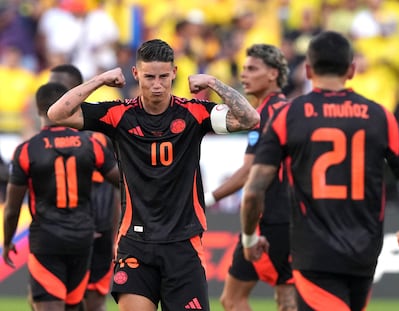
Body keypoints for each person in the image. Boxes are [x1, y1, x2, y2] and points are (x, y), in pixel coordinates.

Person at [47, 38, 260, 311]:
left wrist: (213, 83)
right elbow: (57, 114)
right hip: (135, 244)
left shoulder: (194, 113)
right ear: (136, 74)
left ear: (174, 72)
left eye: (163, 76)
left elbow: (250, 119)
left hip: (183, 243)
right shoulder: (118, 114)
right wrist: (100, 79)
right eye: (149, 77)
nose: (157, 84)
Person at [240, 30, 399, 311]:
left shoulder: (289, 116)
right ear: (352, 69)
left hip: (314, 253)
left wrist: (248, 238)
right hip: (365, 252)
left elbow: (254, 189)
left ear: (308, 70)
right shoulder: (380, 116)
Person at [2, 82, 120, 311]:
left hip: (46, 239)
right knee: (74, 307)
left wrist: (7, 241)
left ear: (38, 111)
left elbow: (12, 209)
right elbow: (122, 183)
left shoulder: (28, 150)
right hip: (83, 239)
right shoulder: (90, 144)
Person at [204, 44, 296, 311]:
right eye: (243, 68)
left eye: (252, 69)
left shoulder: (266, 115)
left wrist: (208, 197)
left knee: (233, 299)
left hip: (270, 218)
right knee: (286, 298)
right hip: (294, 216)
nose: (244, 75)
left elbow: (250, 171)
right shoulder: (289, 110)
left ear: (273, 74)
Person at [48, 64, 121, 311]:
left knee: (91, 302)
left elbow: (118, 185)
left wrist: (114, 233)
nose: (53, 93)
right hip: (54, 232)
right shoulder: (42, 139)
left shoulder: (97, 132)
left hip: (96, 232)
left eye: (59, 88)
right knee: (46, 299)